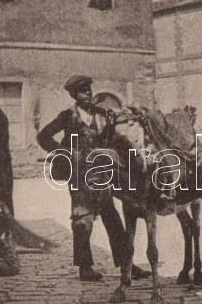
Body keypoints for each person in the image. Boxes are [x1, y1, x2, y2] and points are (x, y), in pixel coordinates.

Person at [37, 75, 148, 282]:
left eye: (88, 89)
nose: (87, 92)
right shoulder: (67, 116)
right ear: (74, 95)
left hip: (101, 175)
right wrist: (64, 153)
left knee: (112, 219)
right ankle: (85, 267)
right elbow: (43, 136)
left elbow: (112, 138)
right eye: (82, 90)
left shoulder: (101, 114)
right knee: (82, 220)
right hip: (79, 176)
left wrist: (130, 151)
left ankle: (127, 264)